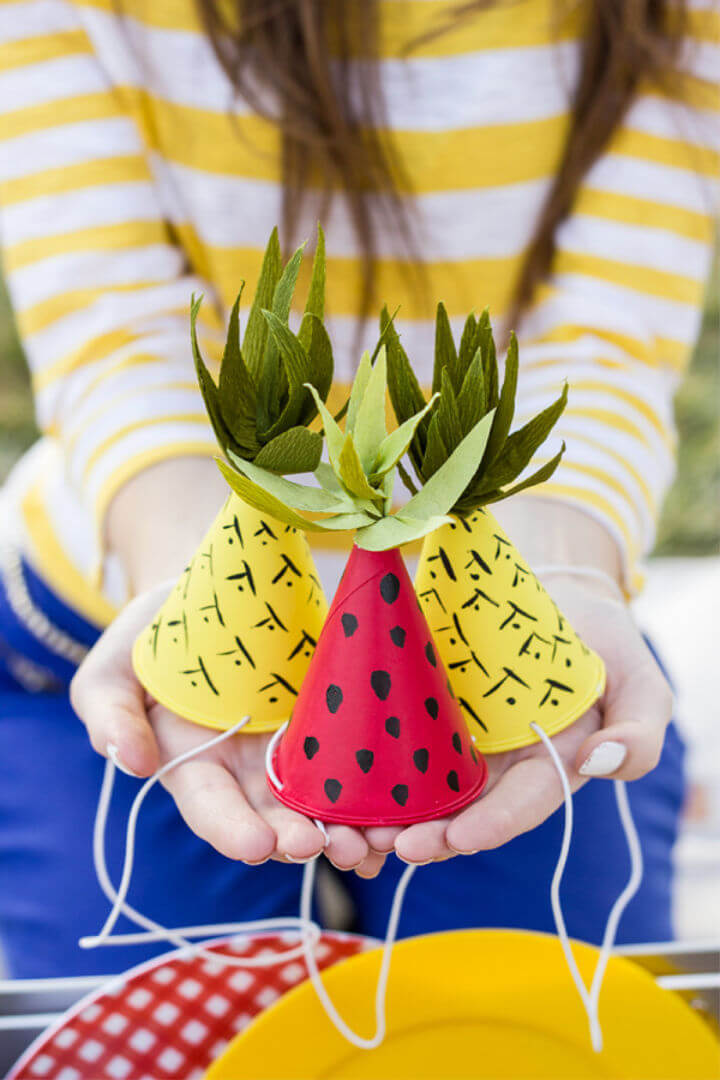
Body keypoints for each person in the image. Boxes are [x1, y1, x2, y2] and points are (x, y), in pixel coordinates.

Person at [0, 0, 716, 977]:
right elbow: (115, 331)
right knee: (147, 1022)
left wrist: (562, 578)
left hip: (496, 639)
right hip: (116, 625)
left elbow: (604, 342)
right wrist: (193, 591)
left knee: (528, 1020)